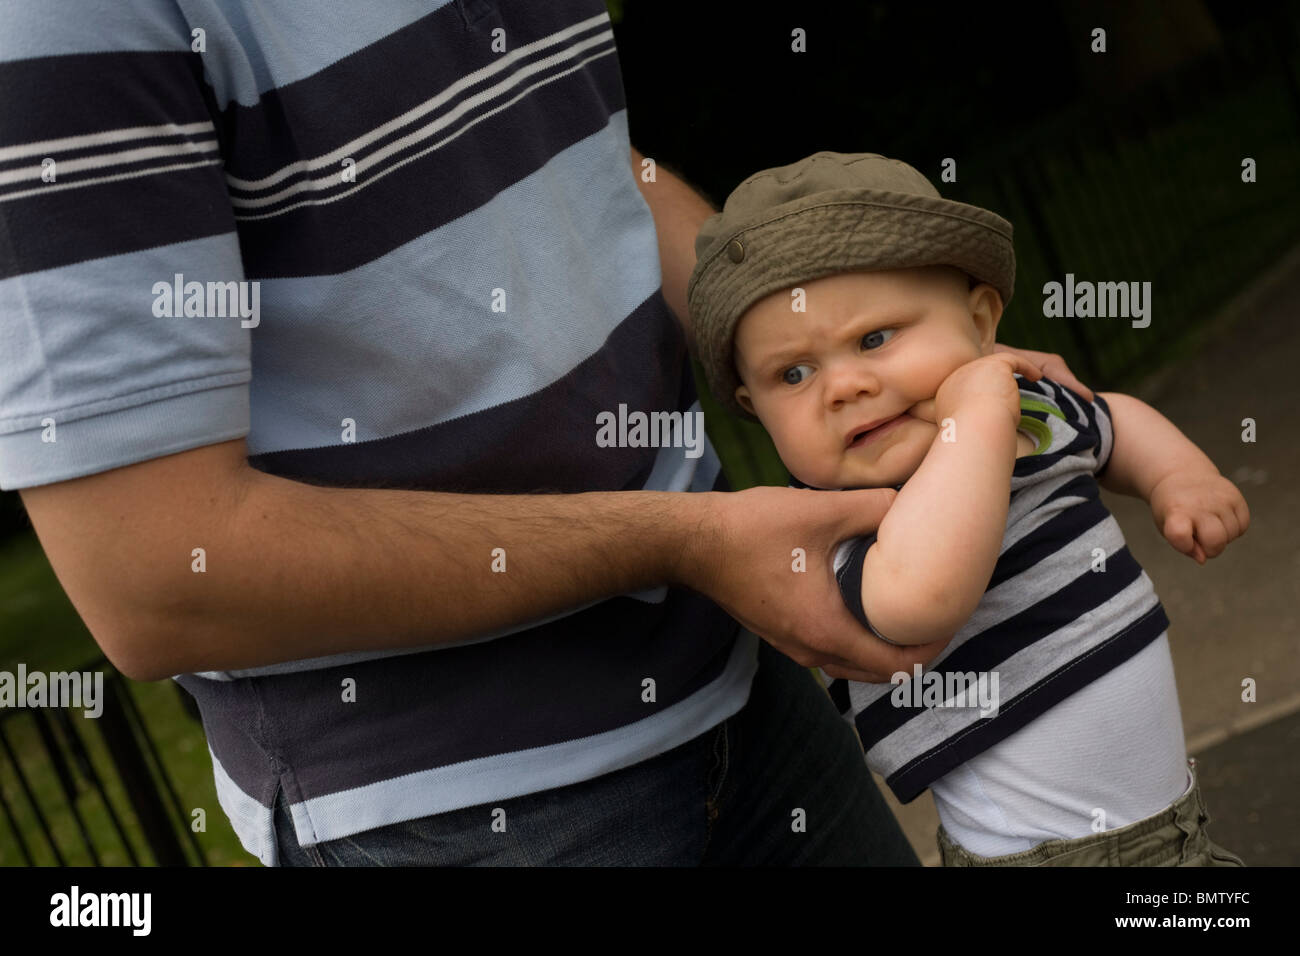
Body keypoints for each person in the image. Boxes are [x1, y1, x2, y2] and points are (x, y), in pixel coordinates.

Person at [1, 3, 1089, 866]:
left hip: (734, 675)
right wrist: (684, 540)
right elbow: (154, 577)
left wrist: (863, 363)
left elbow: (580, 152)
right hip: (459, 807)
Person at [686, 150, 1250, 866]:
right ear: (753, 410)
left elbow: (1113, 420)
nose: (843, 386)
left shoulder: (1034, 414)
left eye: (874, 338)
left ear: (982, 323)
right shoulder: (838, 521)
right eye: (792, 374)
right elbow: (919, 600)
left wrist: (1178, 478)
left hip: (1174, 827)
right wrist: (977, 414)